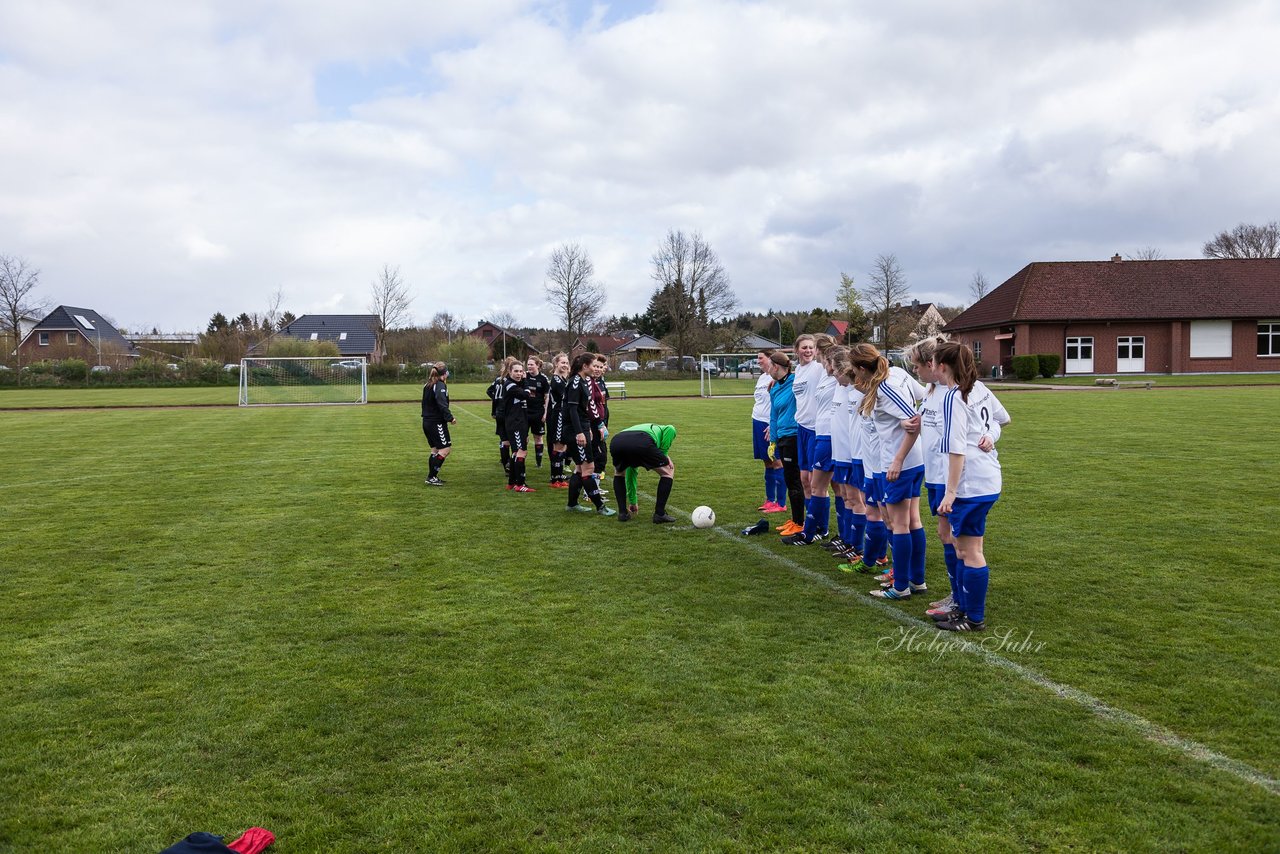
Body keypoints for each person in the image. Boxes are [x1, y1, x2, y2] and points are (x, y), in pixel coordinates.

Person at [933, 341, 1008, 632]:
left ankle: (974, 617)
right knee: (965, 548)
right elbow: (1003, 419)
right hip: (986, 478)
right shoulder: (978, 388)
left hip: (971, 483)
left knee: (969, 550)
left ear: (942, 366)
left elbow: (957, 450)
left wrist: (950, 492)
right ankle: (964, 609)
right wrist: (990, 434)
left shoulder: (955, 396)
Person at [851, 344, 927, 600]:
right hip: (911, 462)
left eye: (854, 370)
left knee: (899, 525)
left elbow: (914, 420)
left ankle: (902, 585)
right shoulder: (896, 374)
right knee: (911, 521)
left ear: (862, 368)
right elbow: (925, 395)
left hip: (899, 465)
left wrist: (897, 460)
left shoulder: (884, 385)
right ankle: (917, 581)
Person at [788, 340, 840, 545]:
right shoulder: (798, 371)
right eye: (804, 347)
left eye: (811, 347)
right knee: (804, 479)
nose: (808, 350)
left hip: (816, 429)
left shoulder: (819, 368)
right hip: (802, 427)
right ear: (796, 350)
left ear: (817, 351)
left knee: (816, 481)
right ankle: (814, 523)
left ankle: (821, 527)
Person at [565, 352, 615, 515]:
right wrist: (580, 433)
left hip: (583, 428)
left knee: (580, 468)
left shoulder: (584, 382)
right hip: (575, 431)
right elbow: (572, 410)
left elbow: (584, 409)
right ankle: (600, 507)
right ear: (585, 366)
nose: (596, 368)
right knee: (588, 468)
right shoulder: (575, 383)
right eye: (593, 365)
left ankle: (572, 504)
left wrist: (588, 429)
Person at [765, 351, 805, 536]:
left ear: (776, 367)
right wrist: (772, 441)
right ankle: (795, 519)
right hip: (781, 437)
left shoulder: (796, 381)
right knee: (790, 480)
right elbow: (773, 416)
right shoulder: (773, 388)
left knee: (795, 480)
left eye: (769, 367)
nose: (767, 371)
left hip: (793, 436)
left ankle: (799, 522)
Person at [610, 423, 678, 523]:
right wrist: (665, 456)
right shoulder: (663, 429)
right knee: (668, 472)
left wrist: (633, 502)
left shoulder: (642, 428)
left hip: (617, 441)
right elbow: (671, 428)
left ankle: (622, 513)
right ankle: (659, 514)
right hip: (642, 440)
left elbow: (631, 474)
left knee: (619, 473)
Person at [752, 350, 786, 513]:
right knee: (766, 461)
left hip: (769, 424)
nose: (758, 361)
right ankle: (769, 500)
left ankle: (780, 503)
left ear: (771, 360)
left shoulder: (778, 379)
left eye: (761, 358)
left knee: (777, 461)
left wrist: (774, 425)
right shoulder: (762, 377)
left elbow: (780, 404)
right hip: (758, 422)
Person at [502, 360, 536, 492]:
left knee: (516, 452)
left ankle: (511, 483)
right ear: (510, 372)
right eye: (516, 371)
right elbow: (526, 395)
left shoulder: (516, 383)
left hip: (520, 422)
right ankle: (520, 484)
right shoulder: (510, 385)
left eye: (521, 371)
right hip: (515, 423)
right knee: (522, 451)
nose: (519, 374)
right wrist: (526, 382)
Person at [421, 361, 456, 486]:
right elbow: (442, 403)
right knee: (445, 449)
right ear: (444, 374)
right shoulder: (439, 385)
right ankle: (431, 476)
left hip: (427, 421)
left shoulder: (428, 384)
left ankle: (432, 477)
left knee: (435, 450)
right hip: (436, 422)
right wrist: (450, 417)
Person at [545, 353, 572, 488]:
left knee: (562, 447)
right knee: (558, 446)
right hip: (558, 415)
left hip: (561, 414)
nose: (565, 365)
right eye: (562, 363)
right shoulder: (556, 380)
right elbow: (565, 398)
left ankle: (558, 477)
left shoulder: (562, 379)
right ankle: (555, 479)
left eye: (567, 363)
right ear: (556, 364)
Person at [524, 356, 551, 469]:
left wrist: (545, 413)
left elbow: (547, 397)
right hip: (524, 412)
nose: (529, 366)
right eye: (528, 364)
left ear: (538, 365)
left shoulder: (543, 379)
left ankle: (538, 462)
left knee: (538, 437)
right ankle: (520, 460)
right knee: (523, 437)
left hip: (538, 412)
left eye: (531, 364)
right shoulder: (524, 376)